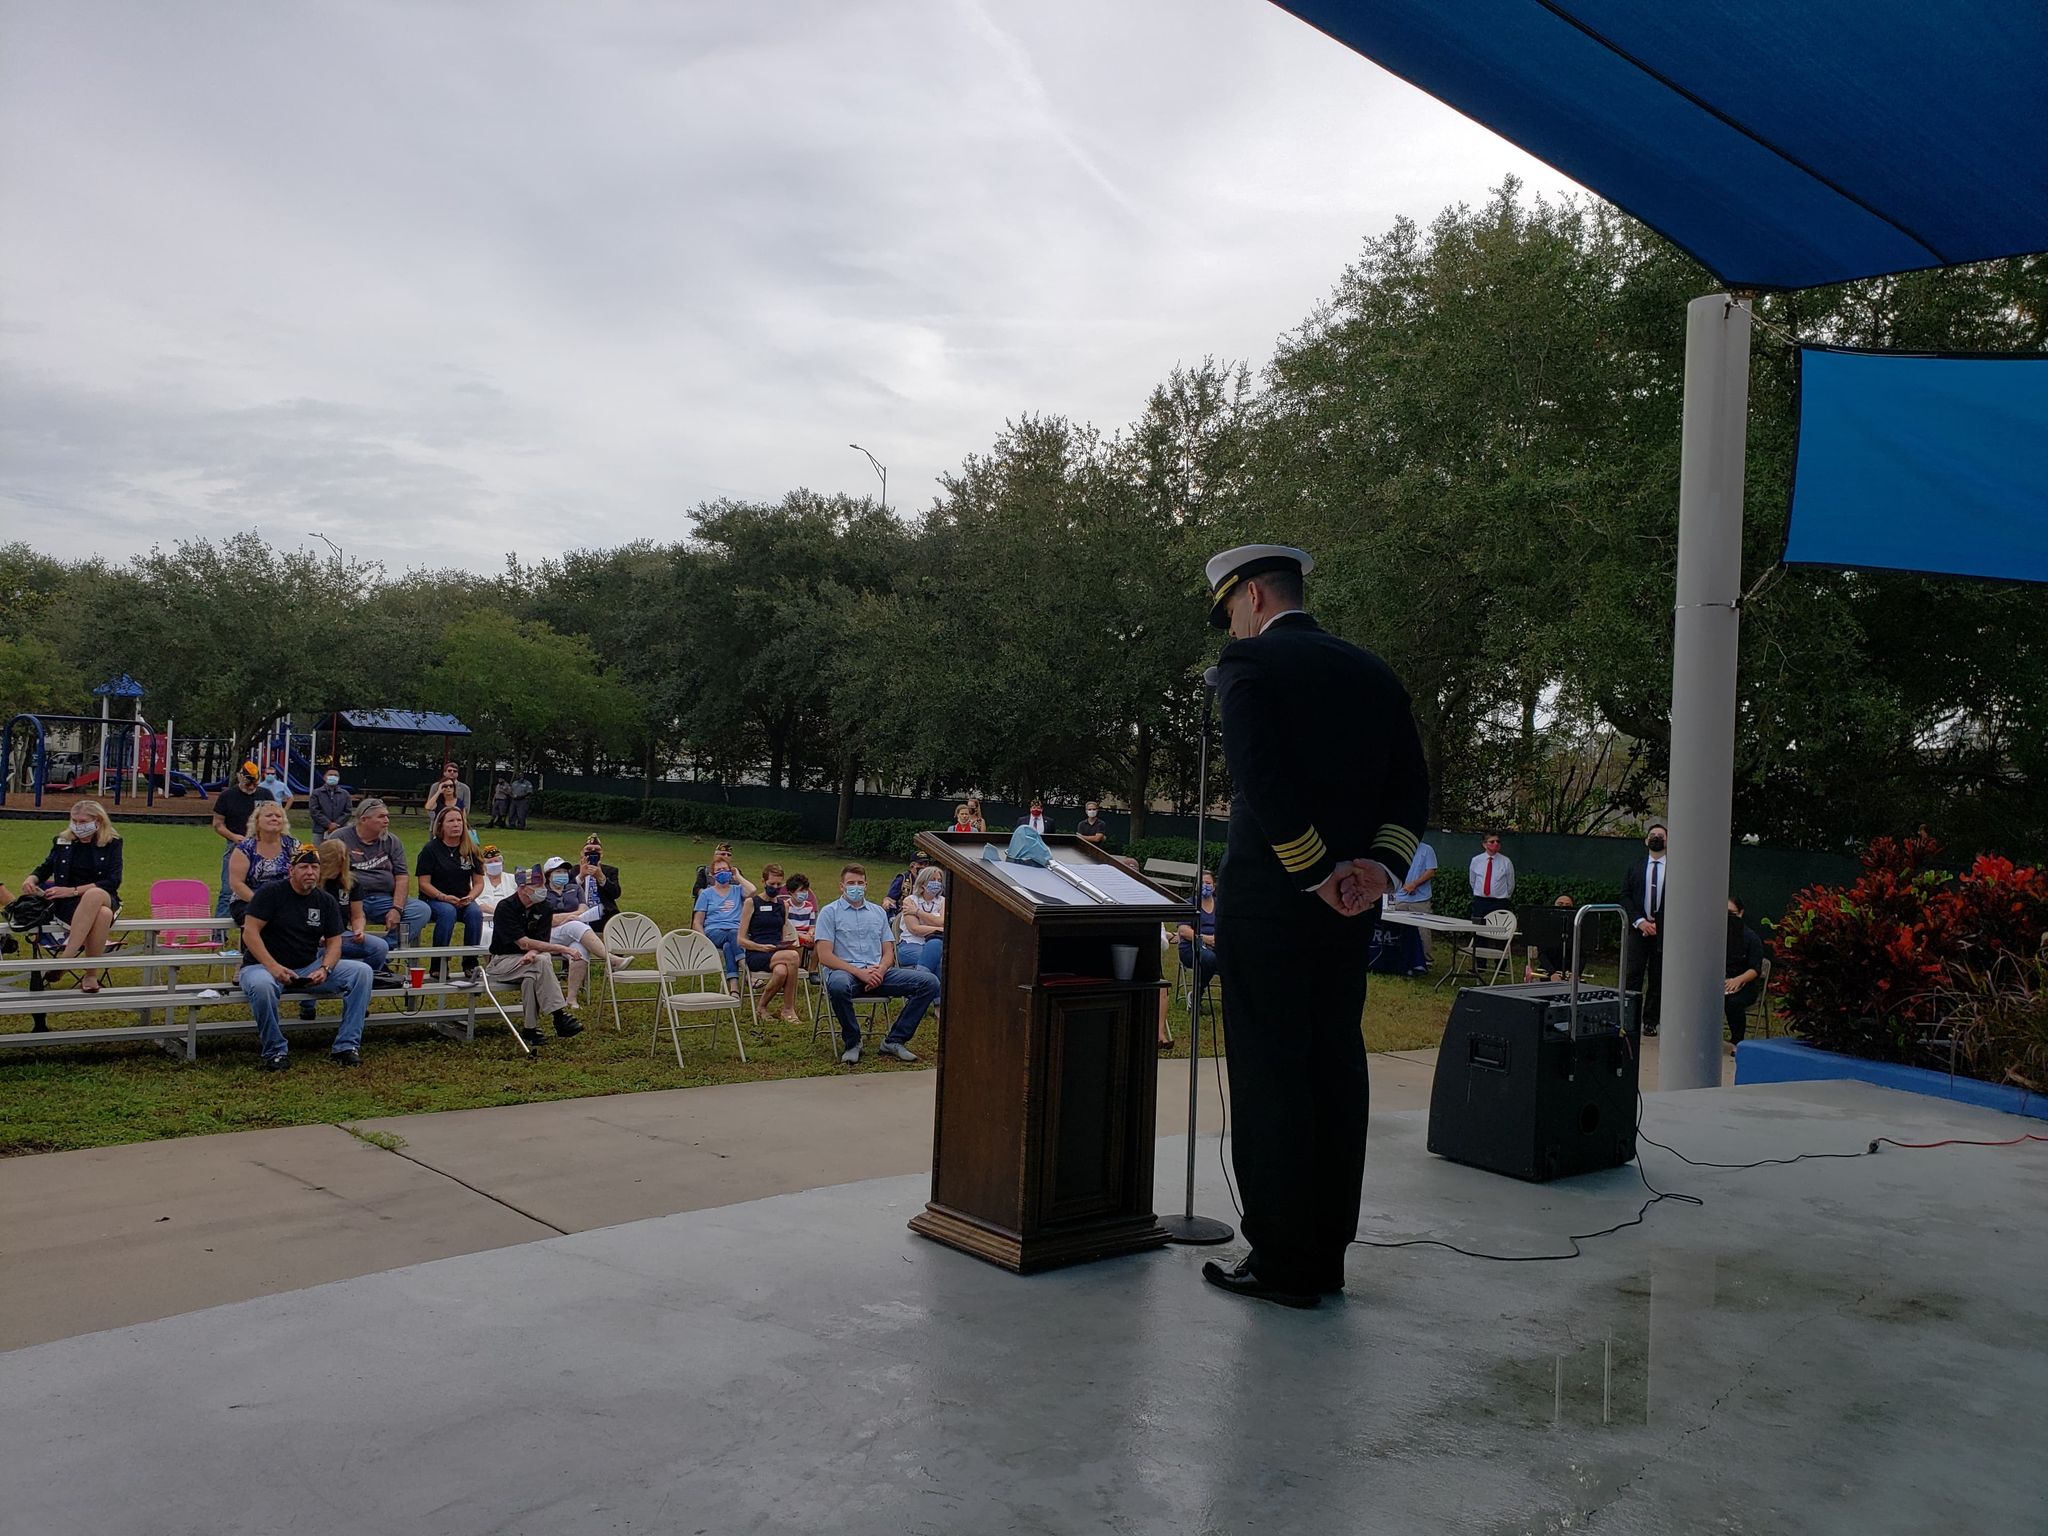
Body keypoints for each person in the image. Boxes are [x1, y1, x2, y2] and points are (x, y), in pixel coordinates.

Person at [1198, 543, 1428, 1310]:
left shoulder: (1248, 666)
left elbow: (1259, 781)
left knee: (1271, 1072)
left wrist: (1315, 871)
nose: (1233, 622)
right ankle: (1326, 1250)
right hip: (1349, 912)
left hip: (1273, 903)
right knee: (1334, 1064)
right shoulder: (1374, 672)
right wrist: (1373, 873)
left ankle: (1281, 1257)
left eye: (1232, 607)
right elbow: (1411, 793)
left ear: (1255, 598)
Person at [238, 846, 374, 1070]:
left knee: (362, 972)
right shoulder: (271, 893)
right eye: (303, 867)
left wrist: (325, 968)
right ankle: (275, 1052)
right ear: (291, 870)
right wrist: (273, 967)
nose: (309, 872)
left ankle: (346, 1046)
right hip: (261, 967)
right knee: (262, 987)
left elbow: (334, 942)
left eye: (314, 867)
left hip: (307, 966)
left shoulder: (325, 901)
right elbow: (250, 932)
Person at [814, 864, 938, 1066]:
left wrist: (880, 970)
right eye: (851, 883)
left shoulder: (878, 912)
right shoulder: (829, 913)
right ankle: (853, 1042)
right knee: (837, 985)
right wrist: (860, 973)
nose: (856, 887)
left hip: (878, 971)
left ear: (866, 885)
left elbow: (889, 951)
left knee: (929, 982)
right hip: (846, 972)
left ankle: (894, 1040)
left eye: (860, 883)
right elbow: (825, 956)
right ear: (841, 887)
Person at [22, 798, 123, 994]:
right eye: (74, 821)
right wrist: (31, 878)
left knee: (95, 895)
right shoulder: (63, 841)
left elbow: (113, 880)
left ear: (98, 821)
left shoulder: (113, 843)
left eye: (83, 822)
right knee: (102, 915)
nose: (77, 826)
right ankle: (91, 975)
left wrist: (73, 890)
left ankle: (65, 959)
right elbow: (46, 867)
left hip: (103, 895)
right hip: (69, 905)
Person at [484, 865, 584, 1045]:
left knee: (532, 974)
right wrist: (564, 949)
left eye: (543, 885)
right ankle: (559, 1016)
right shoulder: (505, 907)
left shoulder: (544, 907)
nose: (542, 890)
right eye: (536, 886)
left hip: (530, 963)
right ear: (522, 888)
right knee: (542, 960)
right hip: (502, 961)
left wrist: (533, 951)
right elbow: (522, 942)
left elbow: (540, 939)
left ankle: (530, 1029)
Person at [335, 798, 430, 963]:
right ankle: (353, 953)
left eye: (387, 816)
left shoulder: (392, 841)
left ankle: (382, 950)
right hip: (349, 900)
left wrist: (397, 908)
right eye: (381, 817)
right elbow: (328, 874)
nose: (387, 820)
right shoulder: (340, 838)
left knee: (420, 910)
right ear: (364, 819)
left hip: (383, 899)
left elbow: (402, 877)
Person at [414, 806, 485, 984]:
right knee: (447, 912)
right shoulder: (431, 849)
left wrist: (471, 897)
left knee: (475, 913)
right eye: (451, 821)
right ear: (441, 826)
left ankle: (470, 962)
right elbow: (423, 883)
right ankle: (438, 965)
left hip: (463, 898)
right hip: (435, 898)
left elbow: (478, 883)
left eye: (459, 820)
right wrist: (443, 897)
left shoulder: (471, 849)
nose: (456, 825)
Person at [540, 855, 615, 1010]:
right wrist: (571, 917)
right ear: (548, 875)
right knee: (576, 925)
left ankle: (571, 997)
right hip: (547, 935)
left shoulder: (574, 888)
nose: (563, 874)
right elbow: (547, 920)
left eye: (564, 871)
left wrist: (570, 917)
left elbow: (584, 909)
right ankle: (611, 959)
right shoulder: (541, 893)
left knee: (579, 950)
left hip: (570, 933)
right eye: (558, 871)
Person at [209, 761, 275, 918]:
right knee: (227, 890)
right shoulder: (227, 796)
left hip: (261, 847)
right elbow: (218, 824)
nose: (252, 788)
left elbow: (275, 819)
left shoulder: (265, 795)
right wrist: (233, 837)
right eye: (248, 784)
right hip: (235, 847)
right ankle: (219, 935)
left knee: (265, 889)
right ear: (241, 778)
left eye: (255, 784)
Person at [738, 864, 802, 1022]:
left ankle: (761, 1007)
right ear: (763, 882)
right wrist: (760, 947)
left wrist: (787, 943)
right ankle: (788, 1009)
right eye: (771, 884)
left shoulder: (783, 905)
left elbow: (782, 932)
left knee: (781, 972)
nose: (775, 887)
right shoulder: (752, 903)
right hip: (757, 952)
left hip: (777, 951)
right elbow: (740, 940)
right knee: (793, 957)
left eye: (778, 884)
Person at [1622, 823, 1669, 1034]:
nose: (1656, 838)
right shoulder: (1635, 866)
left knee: (1658, 977)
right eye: (1653, 835)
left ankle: (1650, 1021)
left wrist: (1662, 925)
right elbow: (1625, 896)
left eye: (1661, 835)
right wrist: (1640, 921)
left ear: (1668, 841)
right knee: (1633, 974)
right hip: (1639, 929)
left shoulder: (1677, 869)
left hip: (1665, 933)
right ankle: (1629, 1019)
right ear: (1646, 840)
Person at [226, 801, 298, 924]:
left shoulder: (293, 845)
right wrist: (262, 902)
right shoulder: (244, 849)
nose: (274, 818)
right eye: (269, 815)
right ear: (257, 821)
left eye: (278, 816)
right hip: (248, 901)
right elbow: (237, 884)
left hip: (285, 901)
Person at [691, 854, 749, 987]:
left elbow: (752, 891)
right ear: (713, 874)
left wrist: (738, 876)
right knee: (734, 935)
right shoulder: (706, 894)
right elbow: (697, 922)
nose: (723, 872)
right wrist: (704, 939)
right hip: (714, 931)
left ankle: (734, 988)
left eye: (725, 869)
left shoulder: (737, 890)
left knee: (729, 946)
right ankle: (747, 971)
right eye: (719, 870)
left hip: (734, 932)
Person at [1724, 895, 1766, 1047]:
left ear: (1741, 913)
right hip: (1722, 982)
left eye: (1732, 914)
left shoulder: (1751, 938)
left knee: (1733, 1003)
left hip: (1745, 984)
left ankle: (1737, 1041)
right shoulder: (1716, 935)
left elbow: (1755, 969)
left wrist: (1738, 980)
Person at [1175, 869, 1219, 1000]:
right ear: (1196, 887)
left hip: (1218, 945)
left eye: (1208, 883)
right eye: (1202, 883)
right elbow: (1183, 930)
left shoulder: (1221, 904)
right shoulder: (1189, 904)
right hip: (1192, 947)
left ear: (1214, 886)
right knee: (1210, 959)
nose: (1206, 886)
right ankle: (1196, 994)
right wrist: (1205, 939)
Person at [896, 867, 945, 984]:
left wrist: (918, 912)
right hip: (910, 945)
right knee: (937, 961)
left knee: (935, 950)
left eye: (939, 880)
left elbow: (942, 921)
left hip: (934, 946)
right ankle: (937, 999)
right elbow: (914, 929)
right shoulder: (910, 901)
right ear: (923, 882)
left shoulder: (943, 901)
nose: (936, 883)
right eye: (933, 880)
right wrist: (939, 929)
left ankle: (919, 989)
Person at [570, 834, 622, 931]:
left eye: (597, 850)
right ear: (582, 853)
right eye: (588, 850)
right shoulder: (574, 870)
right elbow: (566, 891)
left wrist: (601, 877)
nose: (593, 852)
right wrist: (581, 876)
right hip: (579, 912)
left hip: (604, 913)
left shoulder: (610, 871)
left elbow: (616, 893)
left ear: (601, 854)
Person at [475, 843, 519, 946]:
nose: (494, 864)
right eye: (489, 862)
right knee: (487, 933)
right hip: (485, 919)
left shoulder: (513, 879)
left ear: (502, 864)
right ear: (483, 866)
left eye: (496, 861)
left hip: (510, 917)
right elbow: (475, 901)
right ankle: (489, 962)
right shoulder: (477, 881)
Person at [1468, 832, 1515, 920]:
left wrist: (1503, 895)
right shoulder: (1476, 860)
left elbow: (1510, 883)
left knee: (1498, 930)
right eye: (1492, 842)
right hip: (1481, 902)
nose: (1496, 844)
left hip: (1499, 902)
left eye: (1498, 841)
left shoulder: (1506, 861)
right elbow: (1472, 881)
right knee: (1479, 930)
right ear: (1484, 844)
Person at [1532, 893, 1579, 980]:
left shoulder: (1577, 928)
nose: (1563, 907)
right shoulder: (1545, 927)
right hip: (1548, 972)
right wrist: (1552, 972)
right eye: (1560, 905)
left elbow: (1582, 955)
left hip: (1571, 974)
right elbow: (1542, 954)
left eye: (1568, 906)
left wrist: (1576, 973)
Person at [1387, 840, 1437, 913]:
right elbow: (1390, 870)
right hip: (1398, 899)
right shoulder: (1396, 849)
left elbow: (1431, 872)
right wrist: (1405, 886)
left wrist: (1414, 884)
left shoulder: (1427, 849)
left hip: (1421, 901)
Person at [308, 768, 352, 839]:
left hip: (340, 830)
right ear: (324, 777)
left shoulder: (345, 794)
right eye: (330, 775)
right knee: (319, 849)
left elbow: (348, 812)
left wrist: (336, 824)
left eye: (336, 775)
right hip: (320, 830)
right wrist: (328, 824)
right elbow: (314, 811)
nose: (333, 777)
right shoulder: (316, 793)